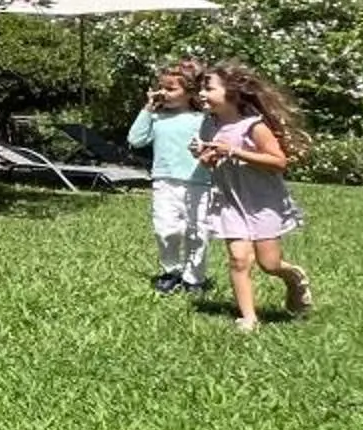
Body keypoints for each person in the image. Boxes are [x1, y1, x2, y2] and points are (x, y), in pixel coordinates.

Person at [195, 66, 314, 331]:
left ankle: (294, 278)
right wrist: (206, 158)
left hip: (261, 202)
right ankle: (248, 317)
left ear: (233, 93)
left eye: (209, 88)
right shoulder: (210, 124)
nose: (202, 94)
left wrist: (235, 151)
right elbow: (211, 163)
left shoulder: (254, 127)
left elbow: (278, 162)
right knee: (238, 259)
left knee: (269, 263)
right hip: (230, 201)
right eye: (201, 88)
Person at [127, 63, 210, 295]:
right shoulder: (157, 117)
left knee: (198, 232)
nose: (163, 93)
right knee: (166, 230)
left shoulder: (203, 118)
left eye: (171, 89)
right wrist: (147, 109)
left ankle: (194, 278)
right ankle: (171, 271)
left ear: (191, 92)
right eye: (161, 88)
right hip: (164, 181)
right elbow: (136, 139)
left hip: (200, 182)